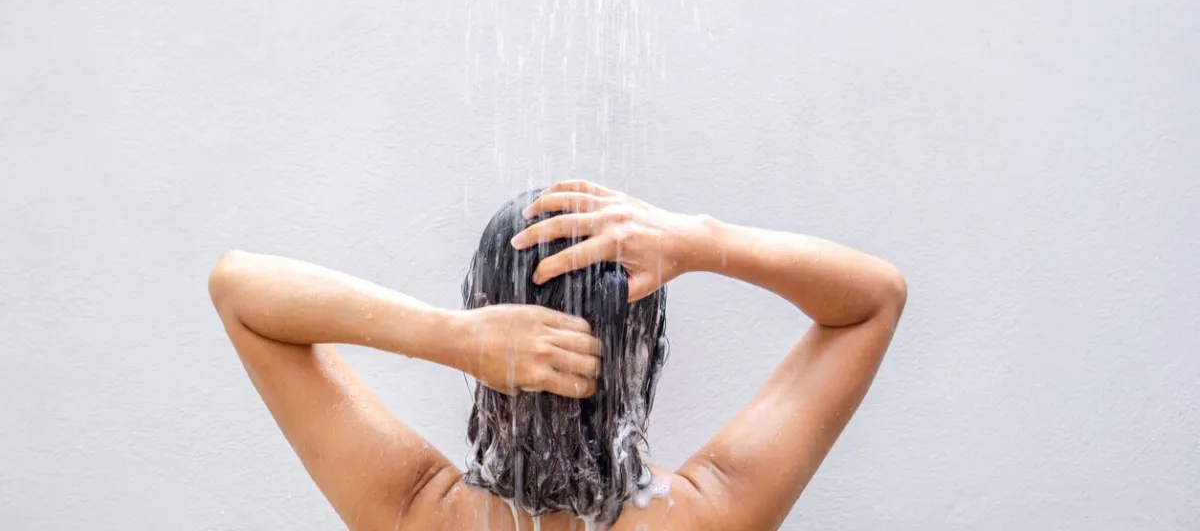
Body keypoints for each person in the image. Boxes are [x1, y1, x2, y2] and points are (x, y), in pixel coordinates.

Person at [207, 180, 907, 531]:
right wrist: (698, 241)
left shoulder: (420, 511)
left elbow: (239, 287)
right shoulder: (704, 514)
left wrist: (444, 335)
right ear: (640, 351)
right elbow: (874, 299)